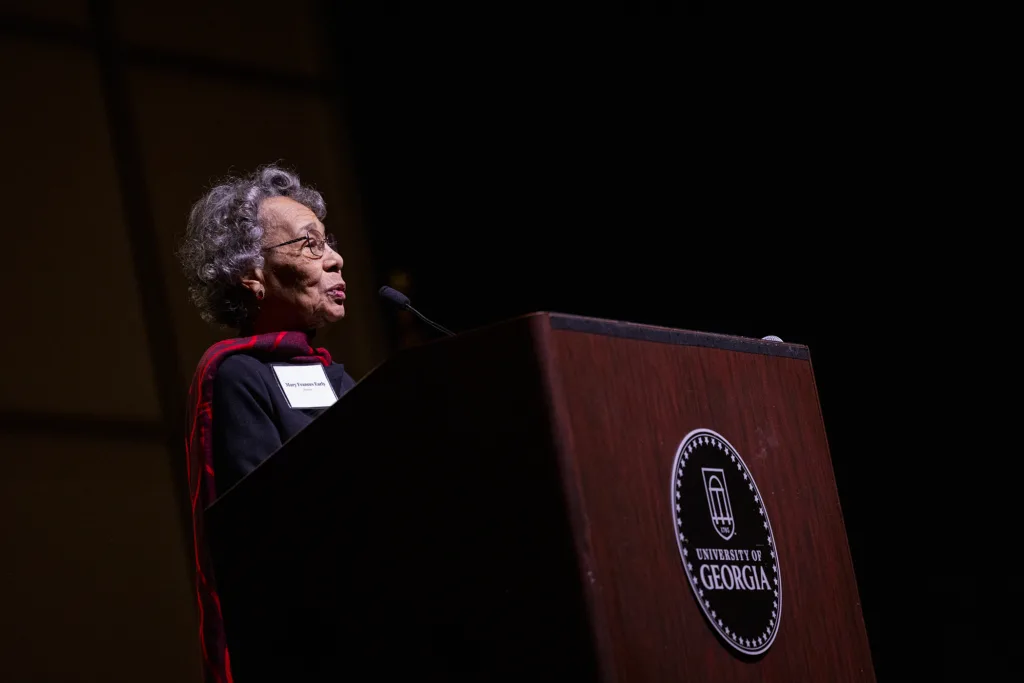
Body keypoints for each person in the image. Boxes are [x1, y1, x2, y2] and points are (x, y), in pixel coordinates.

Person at [177, 164, 357, 683]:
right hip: (307, 644)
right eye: (308, 245)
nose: (335, 259)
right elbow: (264, 534)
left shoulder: (338, 379)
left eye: (328, 242)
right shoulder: (237, 376)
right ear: (251, 274)